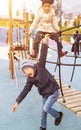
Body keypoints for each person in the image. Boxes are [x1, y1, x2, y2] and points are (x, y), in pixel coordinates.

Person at [12, 34, 63, 130]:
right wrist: (17, 102)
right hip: (45, 94)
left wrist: (44, 42)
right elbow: (25, 90)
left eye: (27, 69)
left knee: (46, 108)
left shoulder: (40, 66)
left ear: (32, 66)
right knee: (43, 111)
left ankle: (58, 115)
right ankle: (43, 127)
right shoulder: (30, 80)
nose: (26, 72)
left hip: (53, 91)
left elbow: (43, 54)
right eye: (24, 71)